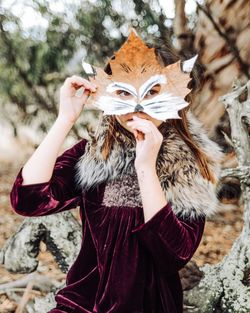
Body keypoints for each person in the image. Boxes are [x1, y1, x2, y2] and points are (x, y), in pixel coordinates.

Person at [10, 32, 223, 313]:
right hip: (82, 304)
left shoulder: (192, 162)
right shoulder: (96, 153)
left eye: (152, 91)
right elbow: (28, 200)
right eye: (124, 91)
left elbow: (175, 254)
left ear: (174, 91)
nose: (137, 105)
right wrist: (65, 119)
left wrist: (146, 168)